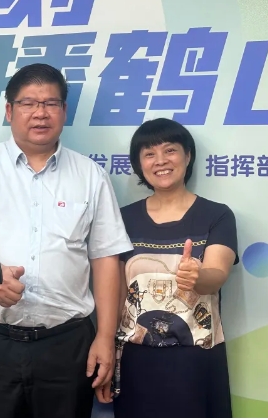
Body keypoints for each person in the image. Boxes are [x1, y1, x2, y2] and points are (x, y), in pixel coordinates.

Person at [0, 63, 132, 417]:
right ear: (9, 110)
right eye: (28, 103)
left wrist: (106, 338)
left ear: (64, 111)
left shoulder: (91, 175)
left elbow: (106, 259)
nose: (40, 113)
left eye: (51, 103)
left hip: (68, 344)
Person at [101, 118, 239, 418]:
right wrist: (107, 347)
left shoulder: (217, 215)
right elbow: (116, 292)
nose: (160, 161)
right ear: (139, 164)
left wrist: (198, 277)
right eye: (149, 154)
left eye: (170, 150)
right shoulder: (122, 219)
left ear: (187, 156)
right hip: (135, 357)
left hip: (196, 358)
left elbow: (216, 276)